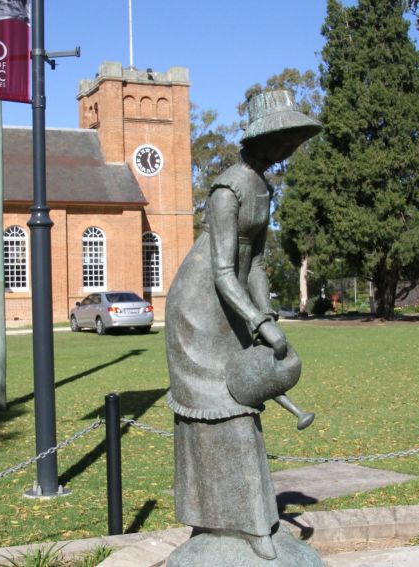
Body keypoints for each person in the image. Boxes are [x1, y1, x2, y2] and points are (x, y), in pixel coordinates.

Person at [165, 90, 322, 560]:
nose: (291, 147)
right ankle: (229, 527)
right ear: (265, 137)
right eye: (286, 138)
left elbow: (253, 264)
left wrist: (266, 318)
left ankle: (256, 523)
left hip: (231, 304)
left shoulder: (262, 187)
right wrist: (258, 322)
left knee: (244, 412)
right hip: (198, 311)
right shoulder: (227, 189)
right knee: (223, 416)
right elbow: (221, 269)